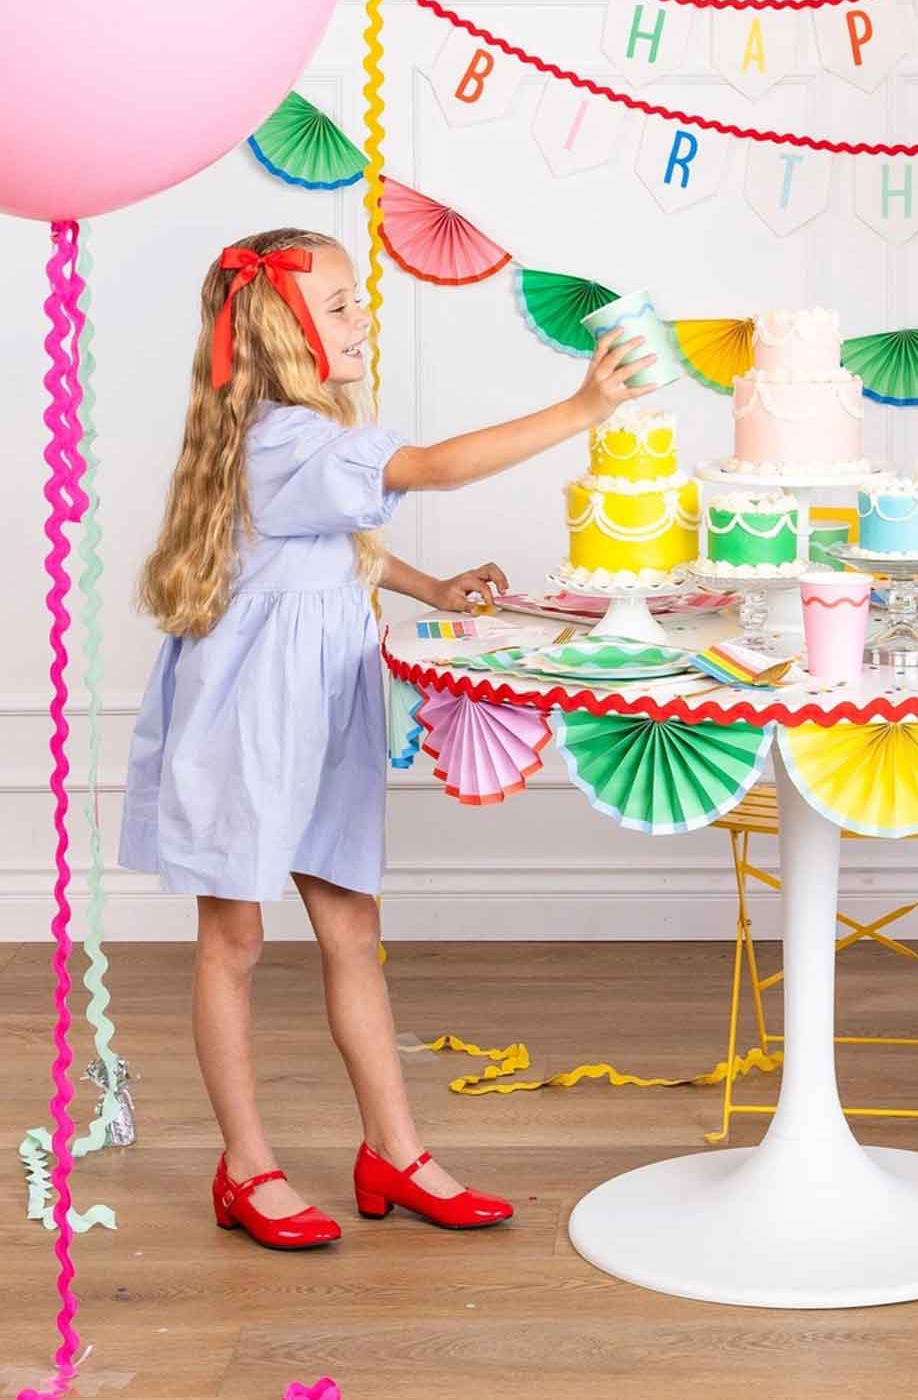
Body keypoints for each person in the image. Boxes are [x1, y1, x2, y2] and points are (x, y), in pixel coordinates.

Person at [119, 228, 651, 1249]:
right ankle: (245, 1168)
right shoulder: (285, 438)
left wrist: (431, 588)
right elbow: (438, 466)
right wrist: (583, 408)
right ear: (281, 327)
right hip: (249, 719)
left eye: (359, 300)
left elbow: (336, 546)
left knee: (352, 930)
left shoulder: (301, 443)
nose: (364, 318)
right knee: (232, 940)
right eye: (341, 304)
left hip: (321, 704)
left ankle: (393, 1151)